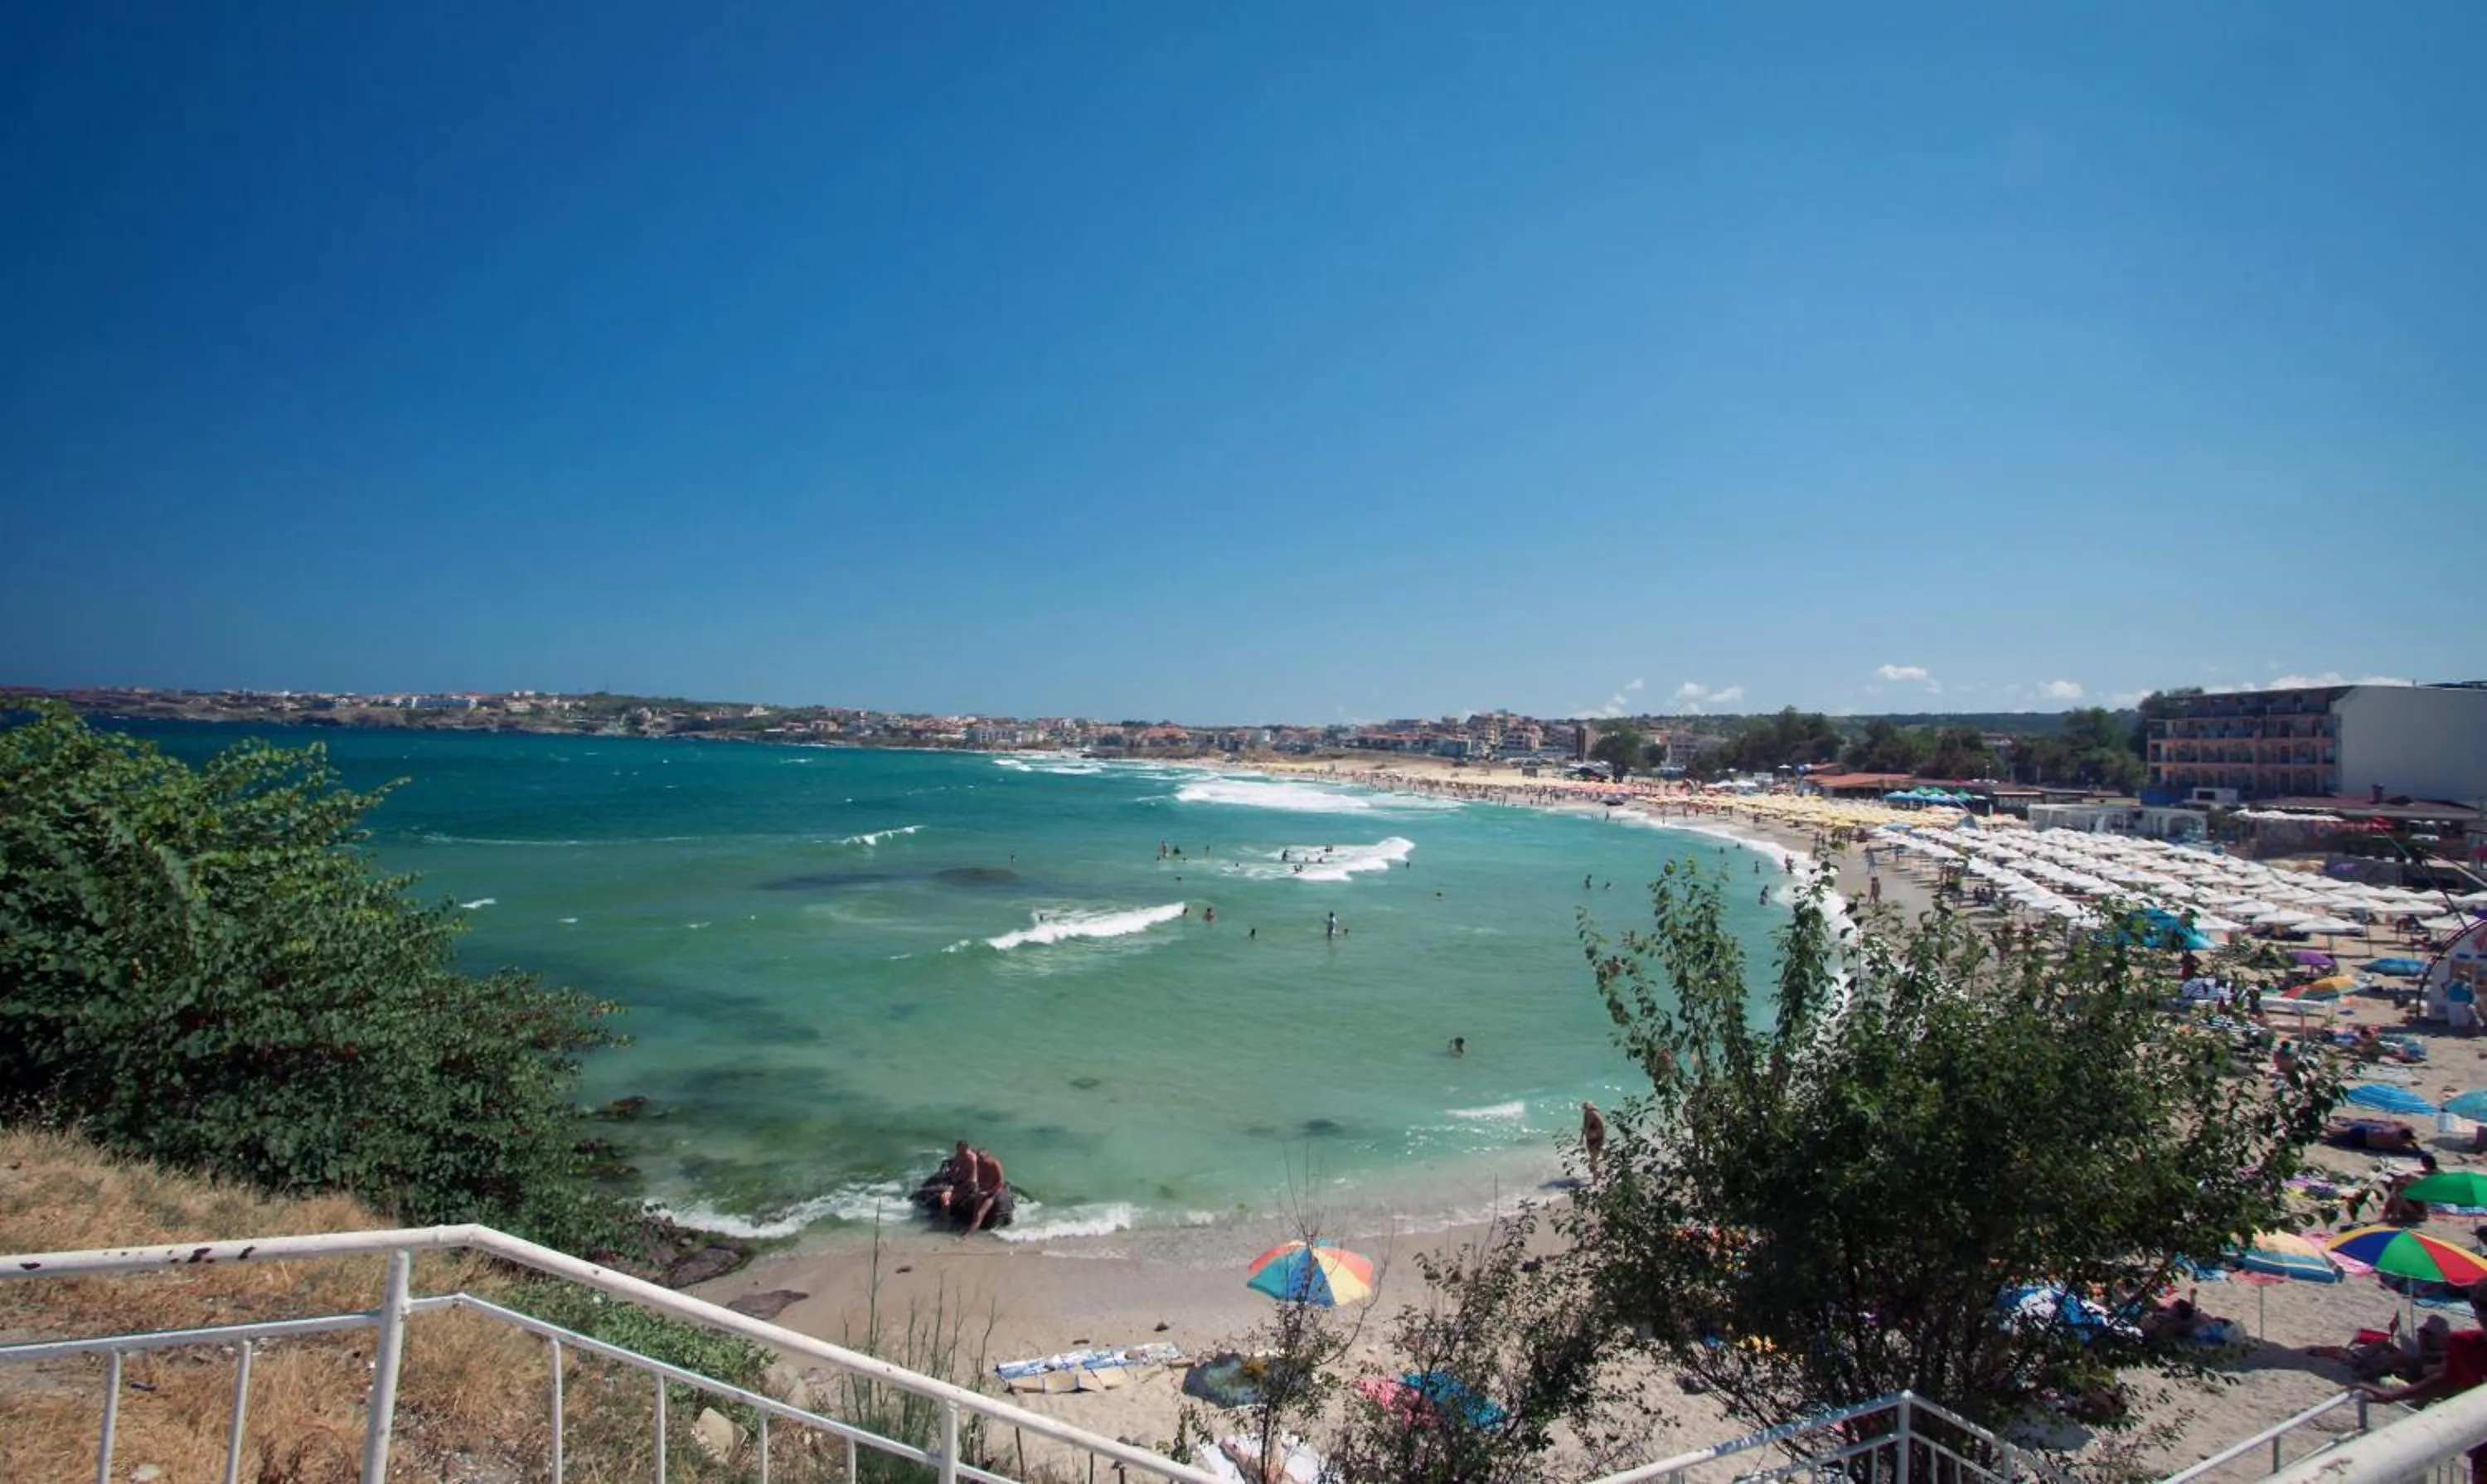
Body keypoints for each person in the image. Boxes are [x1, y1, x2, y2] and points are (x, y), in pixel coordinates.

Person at [2358, 1278, 2487, 1483]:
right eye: (2483, 1308)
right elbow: (2449, 1379)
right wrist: (2396, 1395)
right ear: (2475, 1309)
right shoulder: (2465, 1344)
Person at [963, 1147, 1006, 1235]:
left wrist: (988, 1192)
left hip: (993, 1192)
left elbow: (1001, 1182)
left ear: (988, 1157)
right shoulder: (979, 1164)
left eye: (982, 1159)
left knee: (980, 1213)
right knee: (975, 1213)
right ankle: (971, 1229)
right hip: (982, 1190)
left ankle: (968, 1236)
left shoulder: (994, 1164)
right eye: (979, 1158)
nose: (980, 1161)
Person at [1581, 1101, 1606, 1174]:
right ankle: (1596, 1175)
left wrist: (1603, 1141)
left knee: (1593, 1158)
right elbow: (1584, 1127)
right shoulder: (1586, 1114)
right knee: (1593, 1157)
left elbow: (1603, 1127)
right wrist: (1582, 1138)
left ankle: (1597, 1175)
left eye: (1586, 1108)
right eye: (1584, 1108)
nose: (1585, 1110)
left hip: (1597, 1139)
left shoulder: (1594, 1114)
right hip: (1590, 1138)